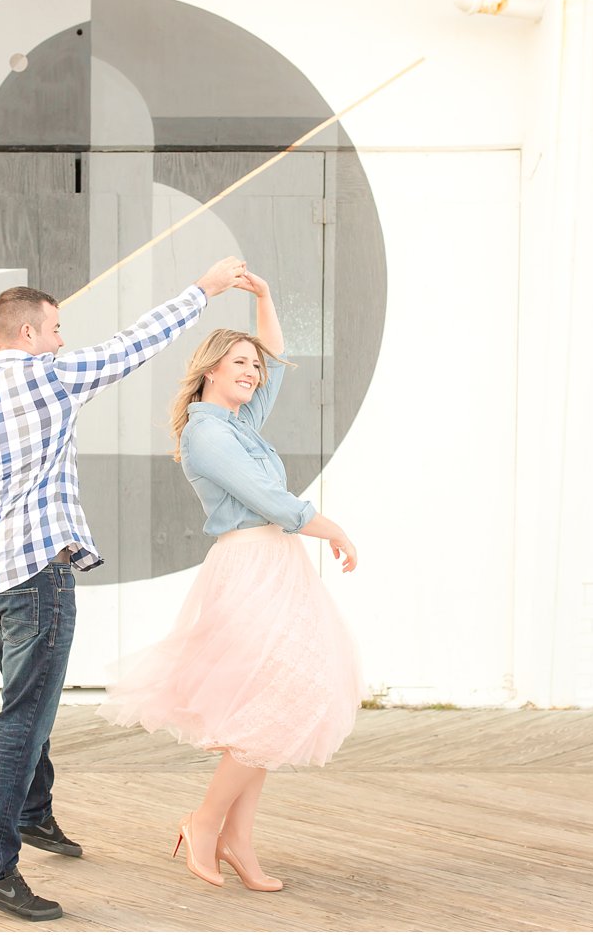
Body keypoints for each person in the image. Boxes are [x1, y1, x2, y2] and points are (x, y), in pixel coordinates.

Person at [0, 255, 248, 922]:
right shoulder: (47, 378)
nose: (61, 339)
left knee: (29, 701)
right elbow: (135, 344)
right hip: (39, 575)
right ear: (25, 335)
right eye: (54, 328)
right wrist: (205, 286)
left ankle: (32, 814)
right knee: (24, 716)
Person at [97, 269, 365, 892]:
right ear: (211, 368)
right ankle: (205, 822)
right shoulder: (206, 433)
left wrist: (267, 298)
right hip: (248, 565)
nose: (253, 371)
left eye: (255, 366)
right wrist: (336, 530)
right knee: (266, 702)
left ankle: (239, 841)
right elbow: (269, 499)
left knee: (277, 702)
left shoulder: (239, 423)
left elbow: (275, 355)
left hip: (276, 567)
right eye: (239, 362)